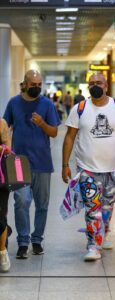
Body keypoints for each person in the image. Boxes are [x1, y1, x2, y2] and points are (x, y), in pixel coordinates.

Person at [62, 73, 115, 261]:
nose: (96, 86)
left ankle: (104, 233)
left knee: (106, 207)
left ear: (106, 86)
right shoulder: (79, 108)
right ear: (88, 87)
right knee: (92, 208)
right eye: (92, 83)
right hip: (87, 168)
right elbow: (69, 136)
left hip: (113, 168)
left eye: (99, 83)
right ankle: (93, 246)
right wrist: (65, 164)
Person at [3, 69, 61, 259]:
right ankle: (23, 242)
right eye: (33, 85)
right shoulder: (13, 103)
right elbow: (5, 128)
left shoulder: (46, 104)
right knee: (21, 202)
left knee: (42, 204)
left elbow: (54, 132)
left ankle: (37, 240)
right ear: (25, 84)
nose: (36, 88)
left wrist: (42, 124)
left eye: (39, 85)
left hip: (42, 162)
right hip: (19, 163)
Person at [0, 118, 11, 272]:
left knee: (0, 216)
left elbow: (7, 149)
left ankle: (2, 251)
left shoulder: (1, 123)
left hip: (1, 177)